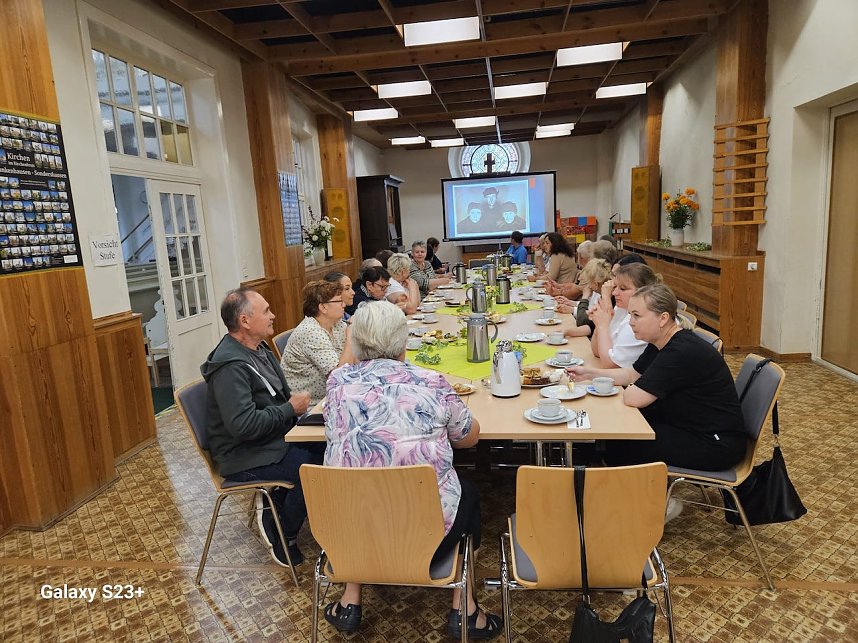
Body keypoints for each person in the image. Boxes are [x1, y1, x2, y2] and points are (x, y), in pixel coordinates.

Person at [322, 301, 502, 640]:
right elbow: (469, 438)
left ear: (355, 342)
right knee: (471, 493)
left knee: (358, 477)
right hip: (426, 528)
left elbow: (333, 428)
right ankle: (464, 608)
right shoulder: (431, 382)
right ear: (404, 342)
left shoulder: (337, 384)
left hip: (348, 528)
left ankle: (350, 598)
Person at [567, 283, 745, 477]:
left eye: (637, 315)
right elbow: (631, 375)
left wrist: (630, 387)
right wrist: (589, 374)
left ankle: (652, 498)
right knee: (612, 435)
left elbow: (633, 398)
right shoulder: (659, 341)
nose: (630, 321)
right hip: (687, 425)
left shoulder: (681, 351)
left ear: (663, 318)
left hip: (714, 443)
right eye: (630, 315)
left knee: (619, 444)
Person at [201, 288, 322, 567]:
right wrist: (289, 410)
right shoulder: (230, 366)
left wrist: (291, 412)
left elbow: (279, 397)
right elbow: (243, 426)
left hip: (274, 437)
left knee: (334, 446)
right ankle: (282, 530)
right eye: (266, 311)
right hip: (243, 453)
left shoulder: (259, 349)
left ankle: (282, 502)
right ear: (245, 321)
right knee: (314, 470)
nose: (273, 315)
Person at [281, 281, 355, 406]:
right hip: (311, 407)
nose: (343, 305)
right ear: (323, 307)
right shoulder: (311, 332)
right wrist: (351, 337)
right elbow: (340, 376)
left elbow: (355, 359)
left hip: (333, 397)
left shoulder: (336, 323)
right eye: (338, 301)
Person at [589, 263, 661, 368]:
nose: (614, 293)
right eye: (615, 287)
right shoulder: (621, 308)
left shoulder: (642, 320)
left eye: (622, 289)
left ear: (643, 291)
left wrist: (602, 326)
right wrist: (599, 323)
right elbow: (597, 352)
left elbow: (611, 364)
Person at [561, 258, 612, 338]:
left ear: (595, 284)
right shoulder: (601, 293)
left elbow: (583, 321)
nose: (588, 285)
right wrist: (567, 332)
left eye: (589, 281)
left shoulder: (606, 297)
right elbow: (591, 325)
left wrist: (585, 297)